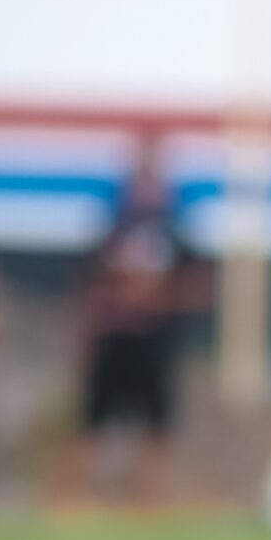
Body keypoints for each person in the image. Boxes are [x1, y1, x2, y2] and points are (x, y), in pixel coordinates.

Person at [63, 138, 197, 506]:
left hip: (155, 341)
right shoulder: (111, 224)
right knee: (92, 423)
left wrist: (157, 302)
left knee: (157, 427)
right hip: (114, 338)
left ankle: (150, 503)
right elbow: (87, 283)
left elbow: (196, 285)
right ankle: (79, 501)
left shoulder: (177, 229)